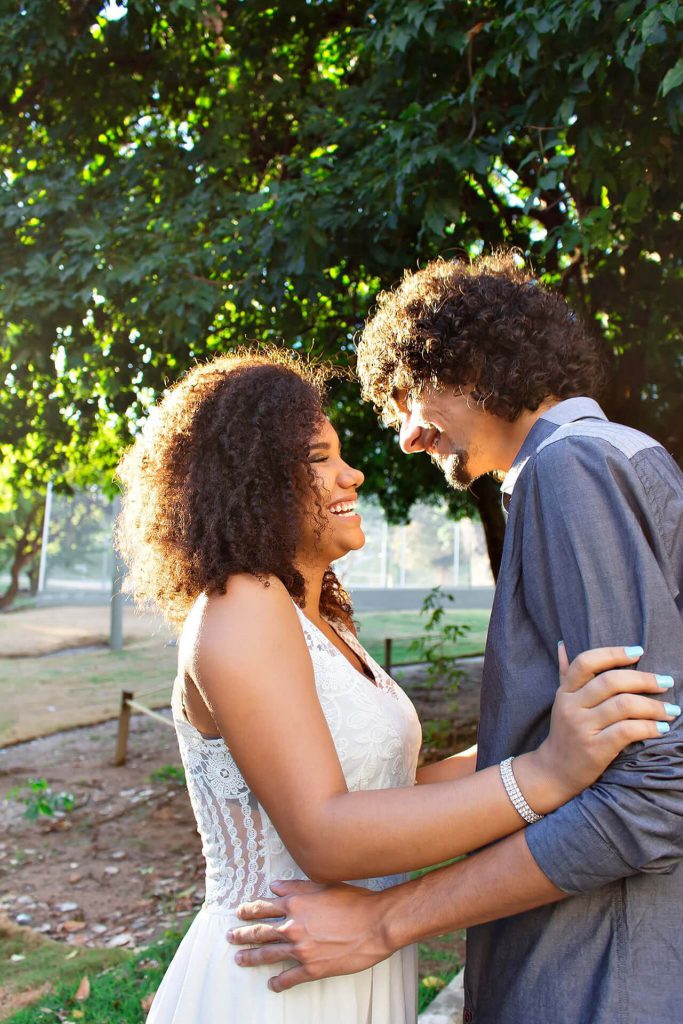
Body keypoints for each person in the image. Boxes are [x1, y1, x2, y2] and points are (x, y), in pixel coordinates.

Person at [116, 349, 671, 1024]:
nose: (351, 474)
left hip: (347, 958)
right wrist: (547, 772)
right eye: (319, 458)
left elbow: (390, 793)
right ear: (250, 477)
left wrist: (561, 731)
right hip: (277, 974)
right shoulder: (241, 602)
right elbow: (324, 833)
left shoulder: (321, 622)